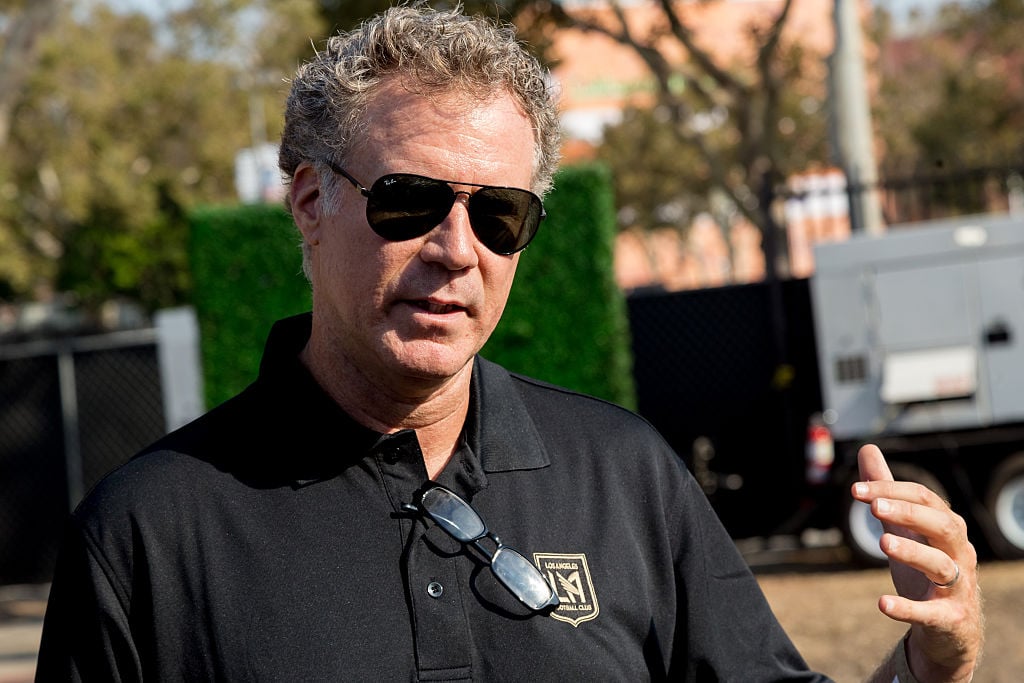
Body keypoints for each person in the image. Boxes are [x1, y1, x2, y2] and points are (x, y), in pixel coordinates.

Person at [36, 5, 981, 681]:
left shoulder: (626, 473)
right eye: (409, 200)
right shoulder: (146, 534)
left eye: (499, 214)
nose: (457, 250)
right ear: (310, 201)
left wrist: (926, 666)